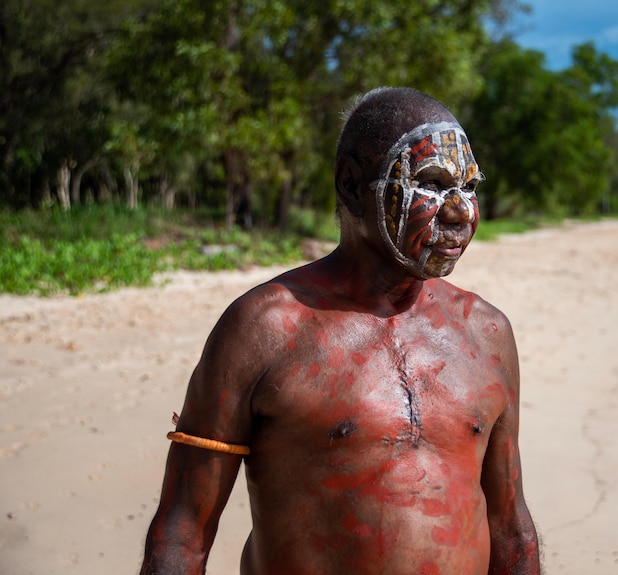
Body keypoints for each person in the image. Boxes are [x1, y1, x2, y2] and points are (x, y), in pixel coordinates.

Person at [140, 86, 540, 575]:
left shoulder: (486, 333)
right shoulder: (265, 329)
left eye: (471, 188)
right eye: (432, 184)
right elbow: (183, 532)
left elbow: (509, 524)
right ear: (351, 185)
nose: (461, 213)